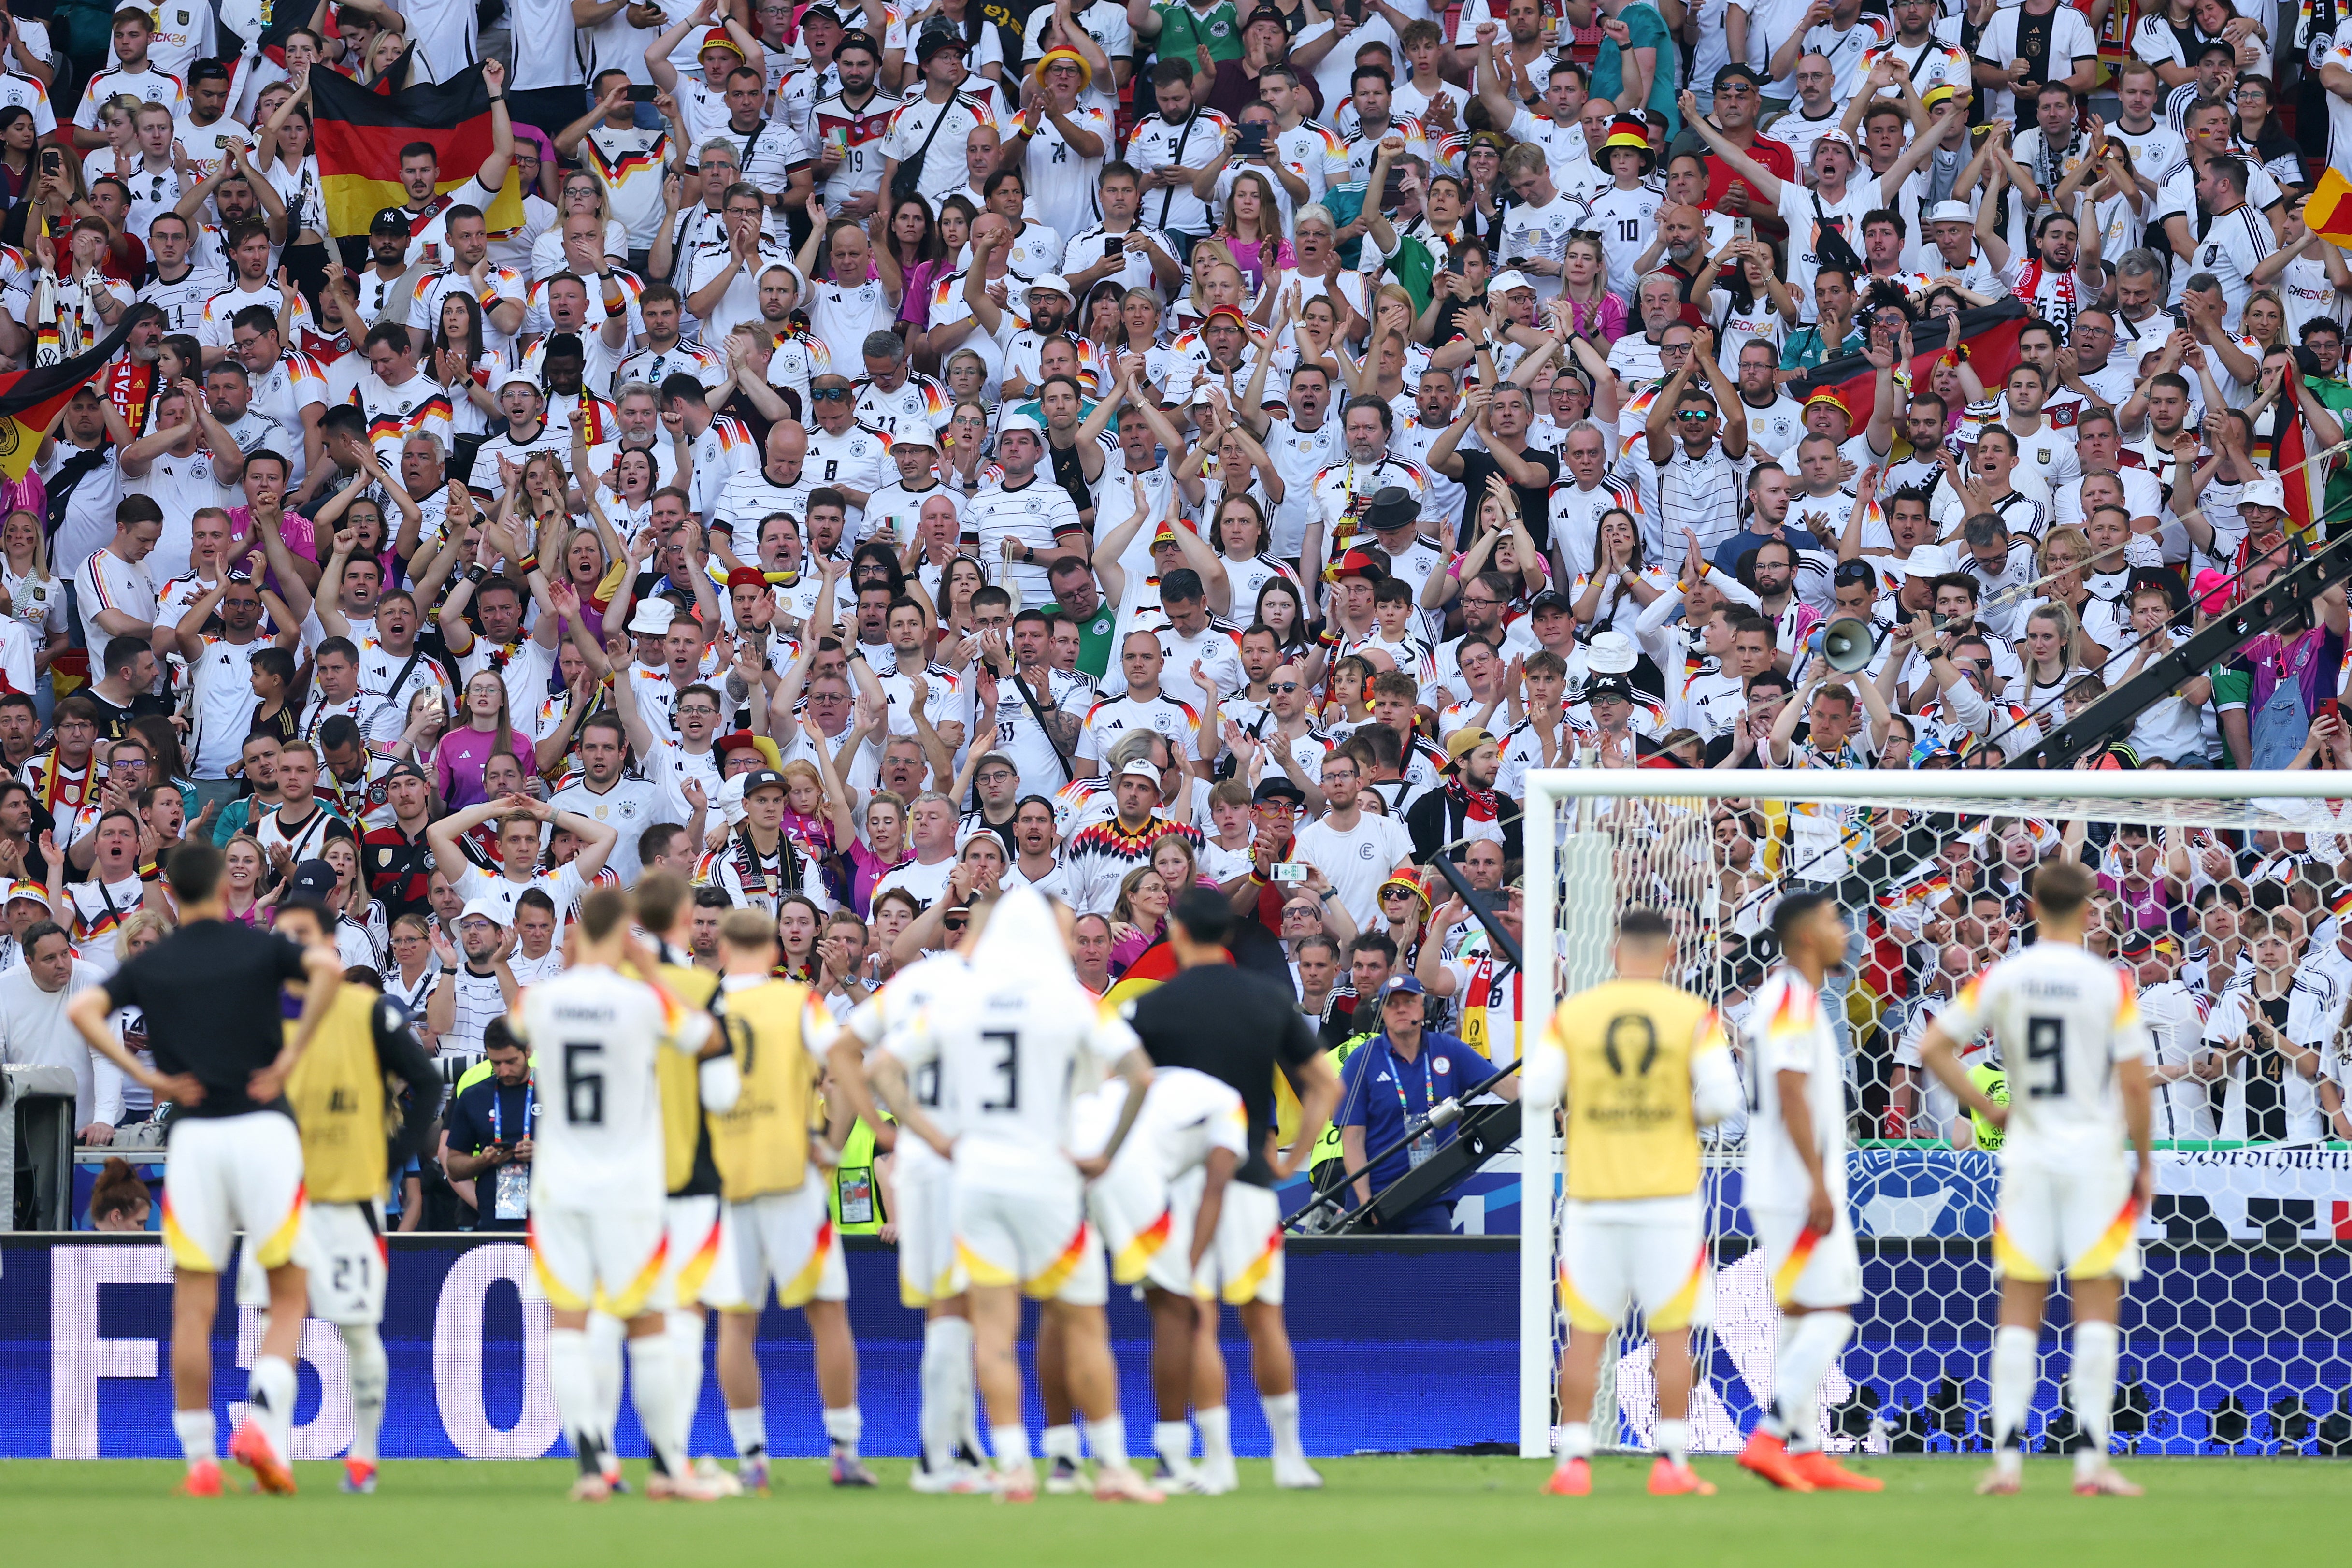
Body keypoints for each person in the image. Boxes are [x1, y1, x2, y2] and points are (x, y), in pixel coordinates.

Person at [853, 885, 1164, 1502]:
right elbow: (1140, 1076)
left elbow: (878, 1068)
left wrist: (925, 1134)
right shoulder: (1067, 1001)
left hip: (975, 1177)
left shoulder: (959, 997)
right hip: (1046, 1177)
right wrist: (1102, 1153)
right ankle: (1110, 1463)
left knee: (991, 1331)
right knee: (1082, 1324)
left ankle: (1015, 1464)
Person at [66, 842, 345, 1496]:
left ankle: (200, 1462)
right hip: (264, 1126)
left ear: (167, 888)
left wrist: (145, 1074)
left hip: (192, 1137)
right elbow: (328, 971)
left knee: (193, 1303)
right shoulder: (261, 945)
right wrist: (291, 1056)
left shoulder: (152, 960)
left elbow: (83, 1012)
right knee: (287, 1293)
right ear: (223, 884)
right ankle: (261, 1426)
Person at [1917, 857, 2155, 1497]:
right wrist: (2147, 1160)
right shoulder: (2109, 983)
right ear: (2089, 911)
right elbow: (2135, 1082)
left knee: (2020, 1307)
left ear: (2028, 907)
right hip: (2094, 1159)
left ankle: (2006, 1462)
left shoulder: (2006, 976)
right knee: (2096, 1308)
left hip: (2025, 1154)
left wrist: (1988, 1104)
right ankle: (2091, 1462)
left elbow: (1933, 1047)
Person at [509, 884, 726, 1501]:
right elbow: (707, 1039)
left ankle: (592, 1467)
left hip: (560, 1184)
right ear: (626, 933)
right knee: (651, 1323)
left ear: (576, 933)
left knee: (570, 1325)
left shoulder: (543, 998)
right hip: (630, 1184)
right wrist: (647, 970)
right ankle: (667, 1467)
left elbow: (511, 1026)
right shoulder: (642, 1001)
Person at [1122, 888, 1339, 1492]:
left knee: (1195, 1318)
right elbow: (1325, 1085)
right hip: (1247, 1177)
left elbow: (1127, 1090)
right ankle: (1289, 1456)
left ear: (1177, 931)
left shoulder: (1154, 1007)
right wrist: (1292, 1158)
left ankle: (1215, 1461)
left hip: (1177, 1181)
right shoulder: (1268, 997)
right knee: (1264, 1317)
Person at [1526, 906, 1742, 1497]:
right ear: (1669, 953)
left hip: (1593, 1195)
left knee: (1586, 1332)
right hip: (1667, 1196)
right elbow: (1724, 1099)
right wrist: (1674, 1114)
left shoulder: (1574, 1013)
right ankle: (1671, 1459)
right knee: (1671, 1333)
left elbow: (1540, 1091)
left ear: (1616, 951)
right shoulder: (1691, 1013)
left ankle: (1571, 1460)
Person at [251, 895, 440, 1495]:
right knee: (274, 1324)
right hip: (281, 1200)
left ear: (331, 944)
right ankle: (271, 1451)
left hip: (350, 1200)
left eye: (302, 933)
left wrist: (390, 1154)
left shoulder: (368, 1010)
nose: (292, 946)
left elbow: (429, 1082)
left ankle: (363, 1455)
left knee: (357, 1330)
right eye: (282, 936)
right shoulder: (259, 1016)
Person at [703, 906, 874, 1487]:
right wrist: (832, 1142)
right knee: (826, 1313)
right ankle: (845, 1450)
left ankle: (751, 1456)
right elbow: (844, 1060)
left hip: (726, 1180)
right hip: (793, 1175)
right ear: (775, 951)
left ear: (723, 950)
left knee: (735, 1322)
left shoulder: (704, 1008)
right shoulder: (798, 1001)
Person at [1735, 890, 1881, 1492]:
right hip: (1798, 1186)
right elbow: (1790, 1090)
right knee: (1832, 1310)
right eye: (1830, 920)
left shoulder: (1784, 998)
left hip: (1779, 1181)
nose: (1843, 929)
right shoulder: (1791, 996)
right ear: (1802, 937)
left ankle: (1803, 1448)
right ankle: (1768, 1436)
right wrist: (1819, 1183)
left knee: (1799, 1316)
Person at [1334, 974, 1519, 1231]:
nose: (1400, 1009)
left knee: (1433, 1268)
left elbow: (1504, 1085)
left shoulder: (1449, 1049)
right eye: (1391, 1004)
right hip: (1376, 1197)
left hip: (1430, 1195)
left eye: (1409, 1001)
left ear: (1425, 1007)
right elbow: (1352, 1139)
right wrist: (1366, 1203)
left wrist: (1553, 1100)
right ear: (1381, 1012)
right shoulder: (1361, 1060)